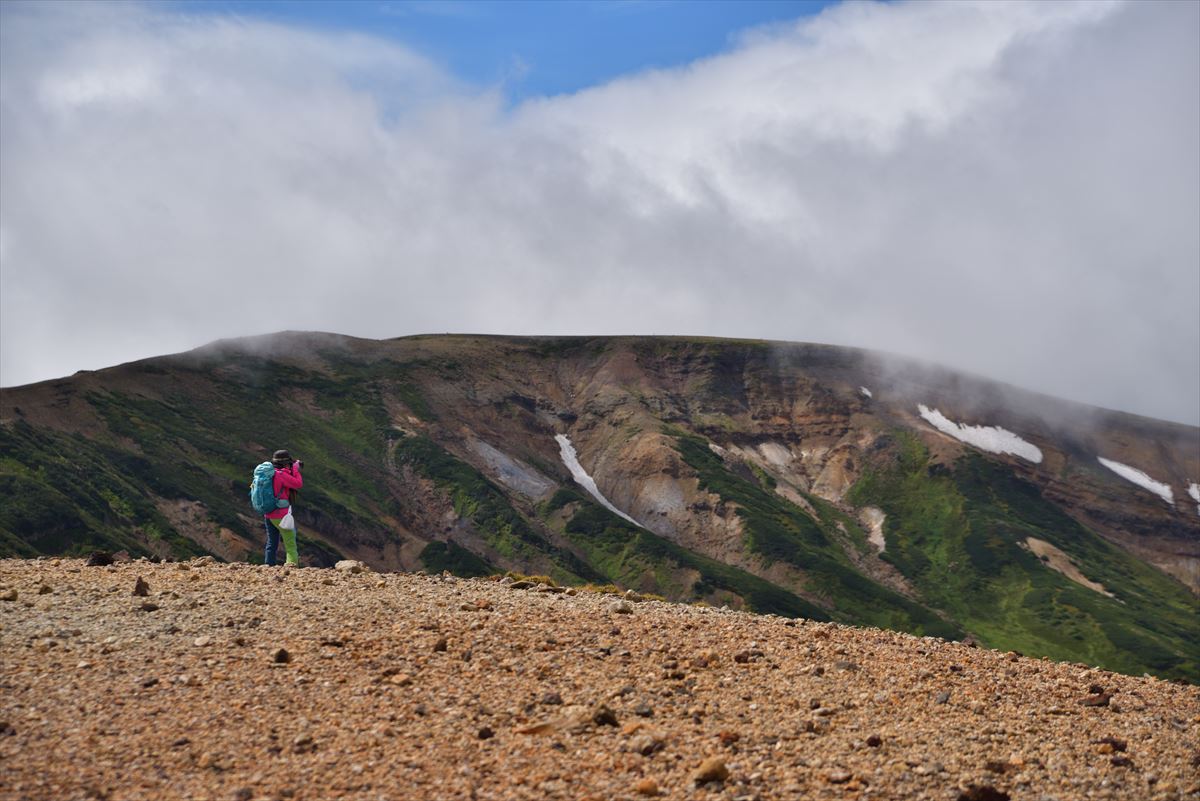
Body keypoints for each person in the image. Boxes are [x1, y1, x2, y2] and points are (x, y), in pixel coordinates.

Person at [263, 449, 303, 567]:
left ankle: (268, 566)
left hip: (268, 513)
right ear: (286, 463)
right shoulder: (281, 475)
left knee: (272, 542)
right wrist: (295, 469)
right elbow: (298, 484)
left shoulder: (268, 473)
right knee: (290, 542)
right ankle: (291, 566)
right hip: (281, 515)